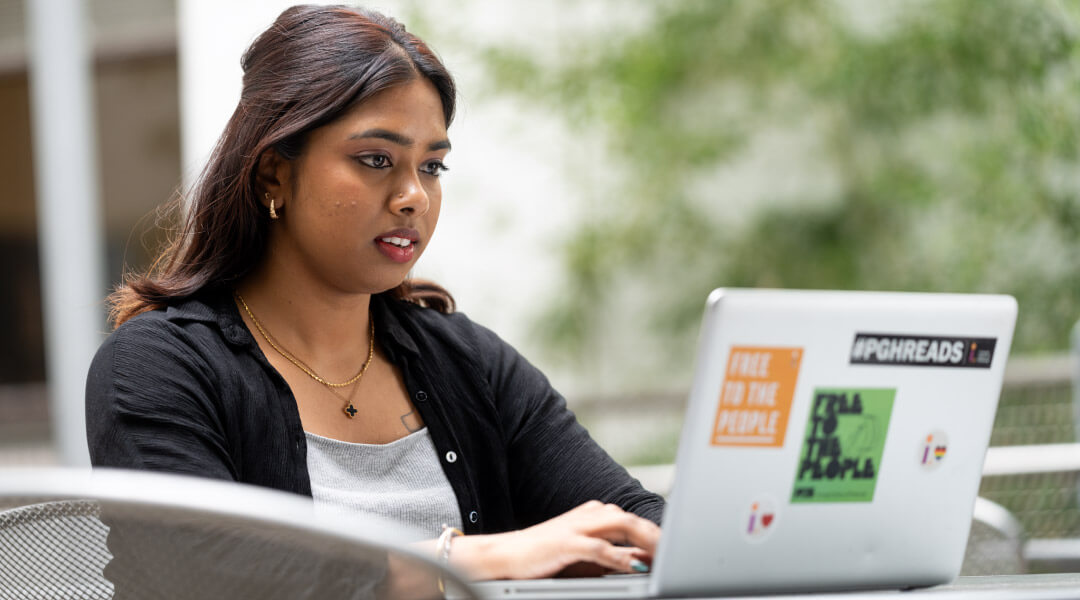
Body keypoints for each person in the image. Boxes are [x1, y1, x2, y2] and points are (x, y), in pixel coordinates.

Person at [85, 3, 663, 585]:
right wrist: (469, 562)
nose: (414, 196)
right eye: (376, 159)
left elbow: (631, 517)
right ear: (272, 174)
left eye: (432, 166)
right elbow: (211, 575)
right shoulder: (157, 366)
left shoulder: (466, 362)